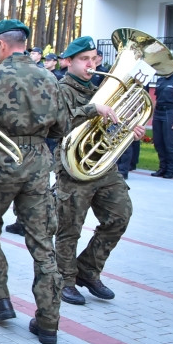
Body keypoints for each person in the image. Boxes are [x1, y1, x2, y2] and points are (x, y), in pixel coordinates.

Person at [0, 19, 69, 344]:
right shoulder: (51, 78)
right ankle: (49, 322)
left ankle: (2, 299)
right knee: (42, 240)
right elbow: (61, 128)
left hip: (0, 159)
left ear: (0, 45)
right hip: (39, 162)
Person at [54, 36, 143, 306]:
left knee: (119, 217)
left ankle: (88, 270)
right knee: (70, 229)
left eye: (94, 58)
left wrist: (129, 130)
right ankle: (65, 280)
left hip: (104, 167)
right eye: (84, 59)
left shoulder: (104, 88)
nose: (91, 64)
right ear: (69, 62)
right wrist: (93, 109)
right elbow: (57, 123)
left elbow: (108, 129)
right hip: (74, 169)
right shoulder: (60, 89)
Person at [151, 64, 173, 179]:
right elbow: (156, 99)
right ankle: (162, 168)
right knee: (158, 142)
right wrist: (151, 114)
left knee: (169, 143)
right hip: (158, 113)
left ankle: (171, 170)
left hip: (170, 112)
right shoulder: (160, 80)